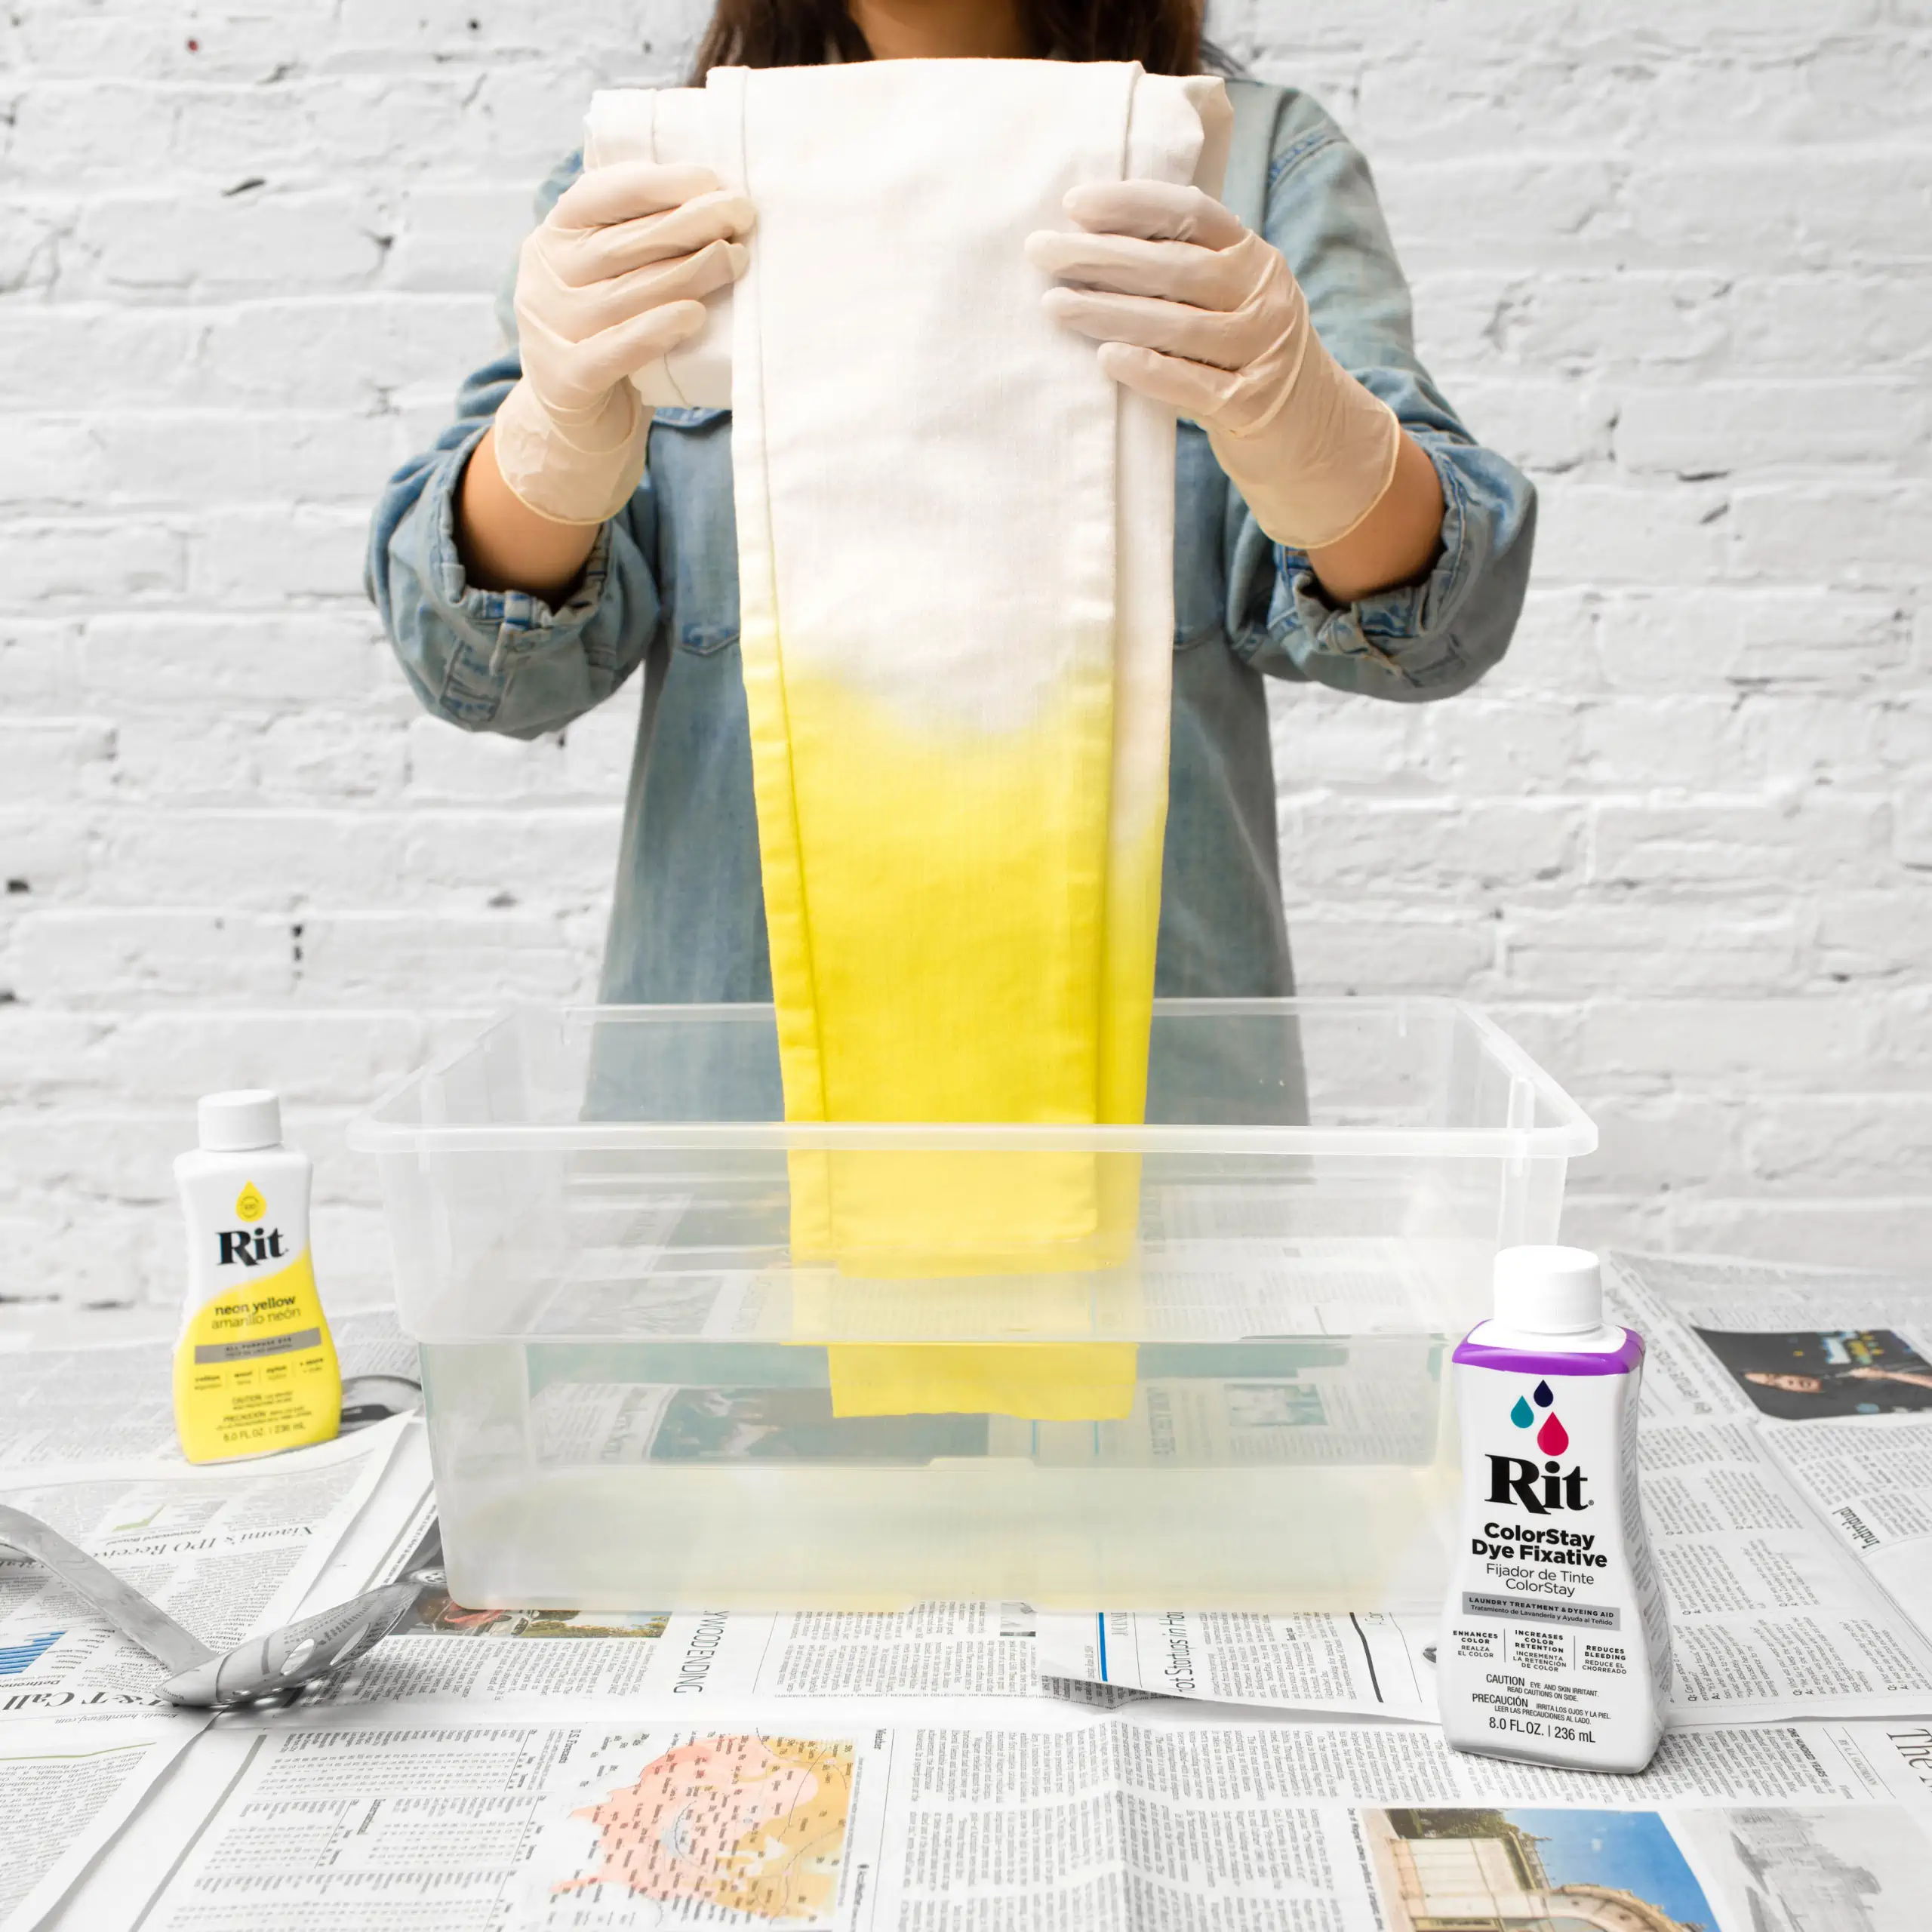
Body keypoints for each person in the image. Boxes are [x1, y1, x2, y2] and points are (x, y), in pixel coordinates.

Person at [368, 0, 1536, 1011]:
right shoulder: (653, 181)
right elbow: (486, 672)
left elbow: (1435, 626)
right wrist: (553, 436)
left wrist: (1310, 433)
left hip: (1147, 1073)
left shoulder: (1250, 162)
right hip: (738, 1084)